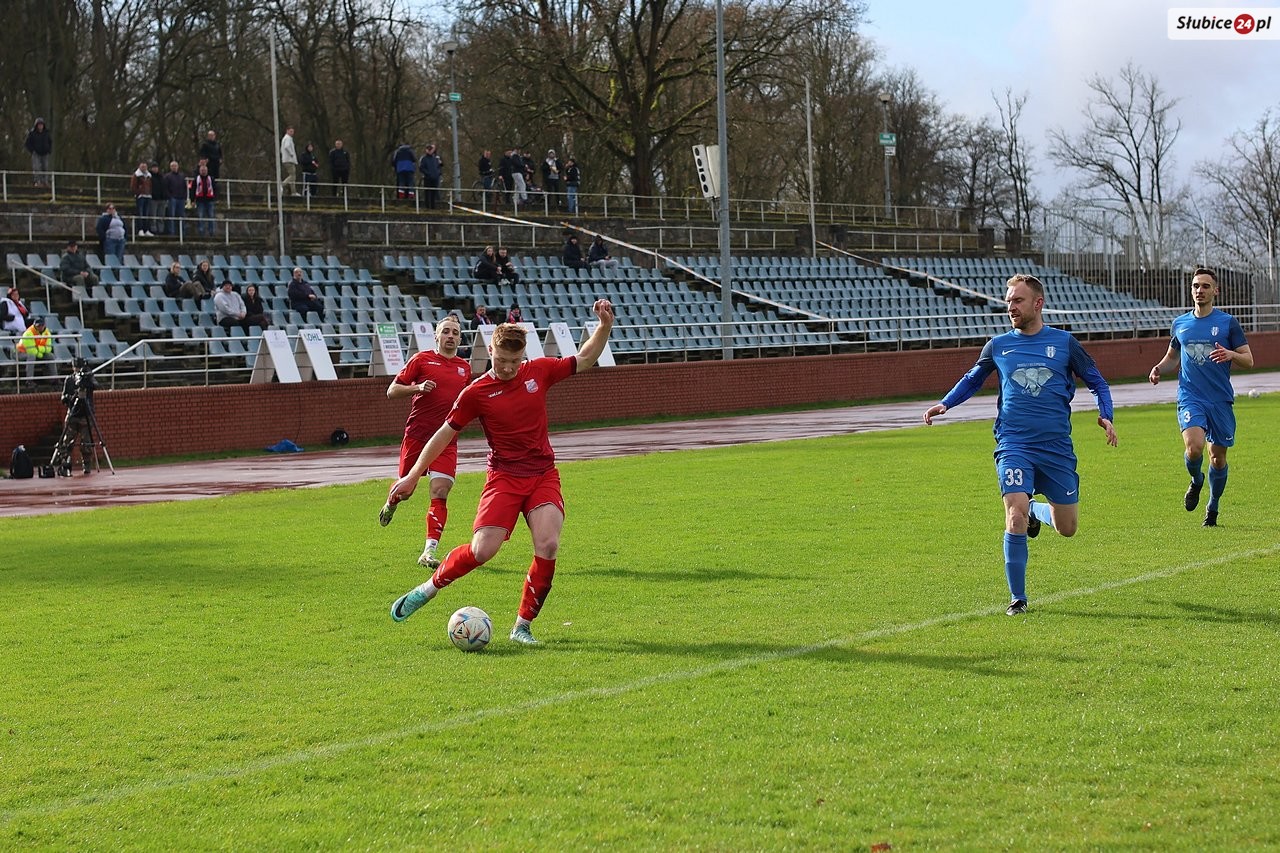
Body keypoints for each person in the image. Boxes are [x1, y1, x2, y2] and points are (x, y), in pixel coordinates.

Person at [386, 301, 616, 644]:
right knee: (482, 551)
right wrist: (413, 474)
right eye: (501, 360)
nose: (508, 368)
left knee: (548, 544)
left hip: (542, 474)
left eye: (514, 361)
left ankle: (522, 626)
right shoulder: (475, 393)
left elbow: (583, 358)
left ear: (523, 355)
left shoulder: (538, 371)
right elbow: (443, 435)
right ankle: (428, 589)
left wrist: (604, 327)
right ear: (489, 349)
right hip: (504, 478)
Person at [922, 273, 1117, 616]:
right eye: (1009, 300)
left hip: (1056, 447)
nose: (1011, 306)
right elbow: (973, 379)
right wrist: (946, 403)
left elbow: (1098, 381)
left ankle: (1037, 512)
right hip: (1013, 442)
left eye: (1018, 300)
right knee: (1014, 513)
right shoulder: (998, 345)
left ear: (1038, 303)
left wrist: (1106, 415)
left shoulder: (1065, 343)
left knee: (1067, 528)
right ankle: (1018, 599)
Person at [1147, 267, 1253, 527]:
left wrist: (1231, 355)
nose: (1200, 290)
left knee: (1217, 458)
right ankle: (1196, 480)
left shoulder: (1228, 323)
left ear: (1215, 291)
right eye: (1196, 286)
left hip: (1219, 400)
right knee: (1194, 448)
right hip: (1190, 396)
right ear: (1191, 290)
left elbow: (1249, 360)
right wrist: (1159, 368)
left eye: (1205, 286)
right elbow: (1173, 357)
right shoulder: (1180, 323)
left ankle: (1213, 506)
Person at [378, 315, 472, 568]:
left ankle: (428, 552)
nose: (451, 336)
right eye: (446, 332)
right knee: (405, 491)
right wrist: (417, 388)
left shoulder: (465, 368)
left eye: (455, 332)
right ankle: (391, 502)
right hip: (417, 437)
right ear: (437, 336)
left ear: (460, 338)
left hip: (446, 439)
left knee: (440, 491)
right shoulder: (421, 359)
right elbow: (392, 390)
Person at [51, 357, 97, 476]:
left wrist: (85, 381)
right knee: (66, 442)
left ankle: (86, 465)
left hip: (86, 414)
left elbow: (95, 386)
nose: (76, 369)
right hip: (73, 414)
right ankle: (65, 463)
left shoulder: (88, 377)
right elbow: (63, 397)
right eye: (75, 367)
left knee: (86, 442)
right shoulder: (69, 380)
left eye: (78, 367)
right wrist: (68, 398)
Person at [17, 316, 54, 384]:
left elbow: (48, 348)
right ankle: (29, 380)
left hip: (37, 352)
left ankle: (54, 379)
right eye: (38, 325)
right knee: (31, 356)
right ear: (34, 325)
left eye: (42, 325)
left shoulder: (47, 333)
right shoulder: (28, 333)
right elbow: (30, 350)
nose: (40, 327)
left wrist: (40, 349)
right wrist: (40, 352)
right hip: (20, 353)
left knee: (51, 356)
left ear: (44, 325)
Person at [24, 118, 52, 187]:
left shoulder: (46, 133)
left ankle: (45, 181)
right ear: (36, 125)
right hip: (36, 153)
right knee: (36, 168)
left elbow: (50, 142)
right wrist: (32, 151)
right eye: (39, 125)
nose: (40, 126)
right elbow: (27, 143)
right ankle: (37, 181)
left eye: (41, 125)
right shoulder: (32, 133)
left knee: (45, 167)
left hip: (45, 153)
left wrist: (49, 150)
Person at [162, 161, 187, 235]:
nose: (174, 167)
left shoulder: (182, 176)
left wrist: (184, 196)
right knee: (171, 216)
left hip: (181, 198)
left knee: (181, 216)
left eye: (175, 166)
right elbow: (165, 188)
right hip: (172, 198)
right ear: (170, 167)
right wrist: (169, 196)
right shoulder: (167, 176)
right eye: (172, 166)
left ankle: (182, 232)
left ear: (178, 167)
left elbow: (185, 187)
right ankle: (171, 232)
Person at [191, 163, 216, 236]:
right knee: (200, 216)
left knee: (211, 216)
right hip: (200, 201)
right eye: (202, 170)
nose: (203, 171)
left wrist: (215, 197)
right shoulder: (196, 179)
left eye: (205, 170)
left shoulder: (211, 179)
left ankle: (212, 232)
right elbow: (192, 190)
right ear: (199, 171)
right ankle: (201, 232)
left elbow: (215, 188)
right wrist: (192, 200)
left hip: (210, 200)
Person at [130, 161, 153, 236]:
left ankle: (146, 229)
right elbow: (133, 186)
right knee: (140, 213)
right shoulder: (136, 175)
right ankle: (140, 229)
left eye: (145, 166)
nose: (144, 168)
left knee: (146, 214)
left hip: (148, 196)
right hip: (140, 196)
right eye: (142, 166)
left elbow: (151, 185)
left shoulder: (149, 175)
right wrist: (138, 193)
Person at [419, 143, 443, 208]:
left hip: (435, 178)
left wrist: (437, 174)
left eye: (431, 149)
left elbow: (438, 167)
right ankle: (427, 206)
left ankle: (433, 206)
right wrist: (428, 174)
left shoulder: (435, 159)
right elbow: (421, 168)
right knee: (427, 192)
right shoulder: (424, 158)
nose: (429, 150)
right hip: (427, 178)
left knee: (434, 193)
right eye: (428, 149)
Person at [148, 163, 169, 235]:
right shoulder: (149, 177)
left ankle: (161, 230)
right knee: (153, 216)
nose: (155, 169)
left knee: (161, 216)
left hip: (162, 199)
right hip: (153, 199)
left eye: (156, 167)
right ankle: (153, 229)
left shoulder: (161, 177)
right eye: (153, 167)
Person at [281, 127, 299, 196]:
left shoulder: (285, 138)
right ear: (287, 131)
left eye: (293, 131)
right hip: (289, 160)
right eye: (291, 131)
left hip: (287, 159)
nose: (292, 133)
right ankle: (282, 185)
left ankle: (293, 192)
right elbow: (287, 147)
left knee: (293, 176)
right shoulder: (287, 138)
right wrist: (291, 153)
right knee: (292, 175)